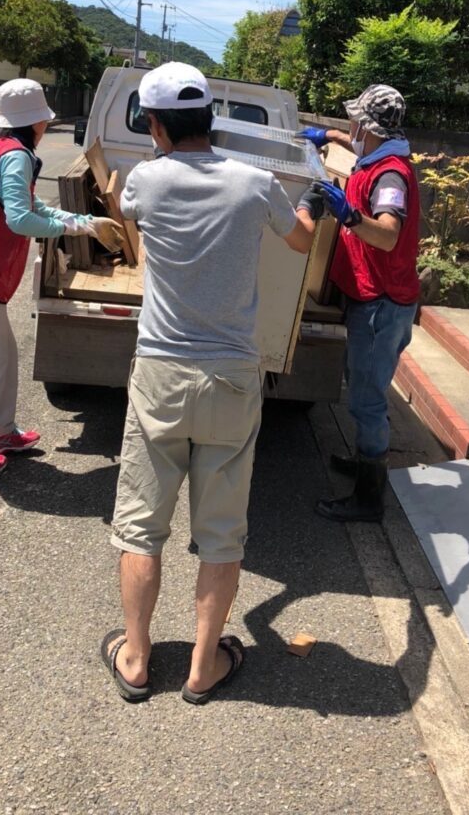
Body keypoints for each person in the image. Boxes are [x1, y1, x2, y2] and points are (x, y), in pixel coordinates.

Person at [101, 61, 319, 705]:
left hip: (161, 373)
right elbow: (302, 242)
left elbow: (124, 206)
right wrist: (312, 199)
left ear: (157, 125)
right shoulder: (254, 184)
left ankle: (137, 661)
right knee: (222, 533)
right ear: (211, 120)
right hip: (231, 375)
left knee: (141, 527)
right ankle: (203, 668)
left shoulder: (145, 180)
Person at [0, 78, 122, 482]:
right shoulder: (15, 156)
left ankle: (0, 434)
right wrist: (76, 229)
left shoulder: (1, 148)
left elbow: (30, 206)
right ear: (36, 122)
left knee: (4, 356)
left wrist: (85, 223)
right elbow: (20, 219)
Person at [299, 85, 420, 523]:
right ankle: (367, 460)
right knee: (361, 385)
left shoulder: (390, 176)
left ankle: (370, 497)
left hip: (381, 304)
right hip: (374, 298)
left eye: (353, 121)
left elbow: (387, 234)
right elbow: (347, 140)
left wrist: (349, 215)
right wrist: (323, 135)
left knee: (367, 399)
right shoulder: (375, 152)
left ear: (368, 127)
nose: (350, 127)